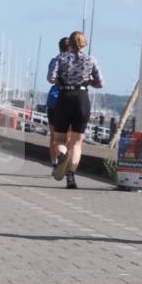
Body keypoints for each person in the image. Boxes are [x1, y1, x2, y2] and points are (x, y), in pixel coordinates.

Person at [48, 31, 103, 189]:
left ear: (70, 43)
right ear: (83, 43)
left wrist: (60, 80)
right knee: (77, 143)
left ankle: (63, 156)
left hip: (65, 97)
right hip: (82, 99)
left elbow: (51, 78)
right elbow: (100, 83)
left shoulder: (60, 58)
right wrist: (88, 81)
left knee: (59, 139)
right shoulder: (91, 60)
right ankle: (71, 176)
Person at [45, 37, 71, 167]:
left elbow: (50, 78)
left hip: (54, 99)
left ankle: (54, 163)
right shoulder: (75, 62)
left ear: (59, 48)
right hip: (69, 99)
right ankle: (66, 160)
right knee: (69, 136)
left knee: (54, 136)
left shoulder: (54, 61)